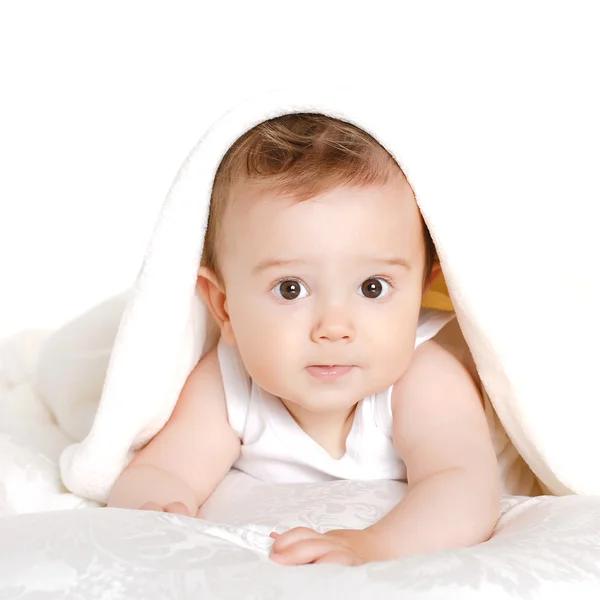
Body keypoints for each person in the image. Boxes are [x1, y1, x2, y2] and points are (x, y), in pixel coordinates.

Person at [107, 113, 502, 565]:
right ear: (224, 306)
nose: (333, 327)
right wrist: (155, 513)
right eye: (290, 288)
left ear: (419, 292)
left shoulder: (424, 377)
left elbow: (463, 485)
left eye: (373, 287)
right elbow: (163, 470)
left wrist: (375, 545)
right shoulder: (228, 381)